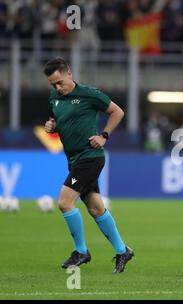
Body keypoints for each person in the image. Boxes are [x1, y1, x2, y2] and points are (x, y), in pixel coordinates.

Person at [43, 57, 134, 273]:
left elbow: (117, 111)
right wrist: (52, 125)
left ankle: (81, 251)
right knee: (95, 208)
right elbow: (60, 119)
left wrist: (104, 135)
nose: (57, 87)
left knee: (65, 202)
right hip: (73, 159)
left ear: (69, 74)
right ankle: (123, 251)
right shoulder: (54, 97)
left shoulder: (89, 94)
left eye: (59, 82)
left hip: (90, 157)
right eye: (53, 84)